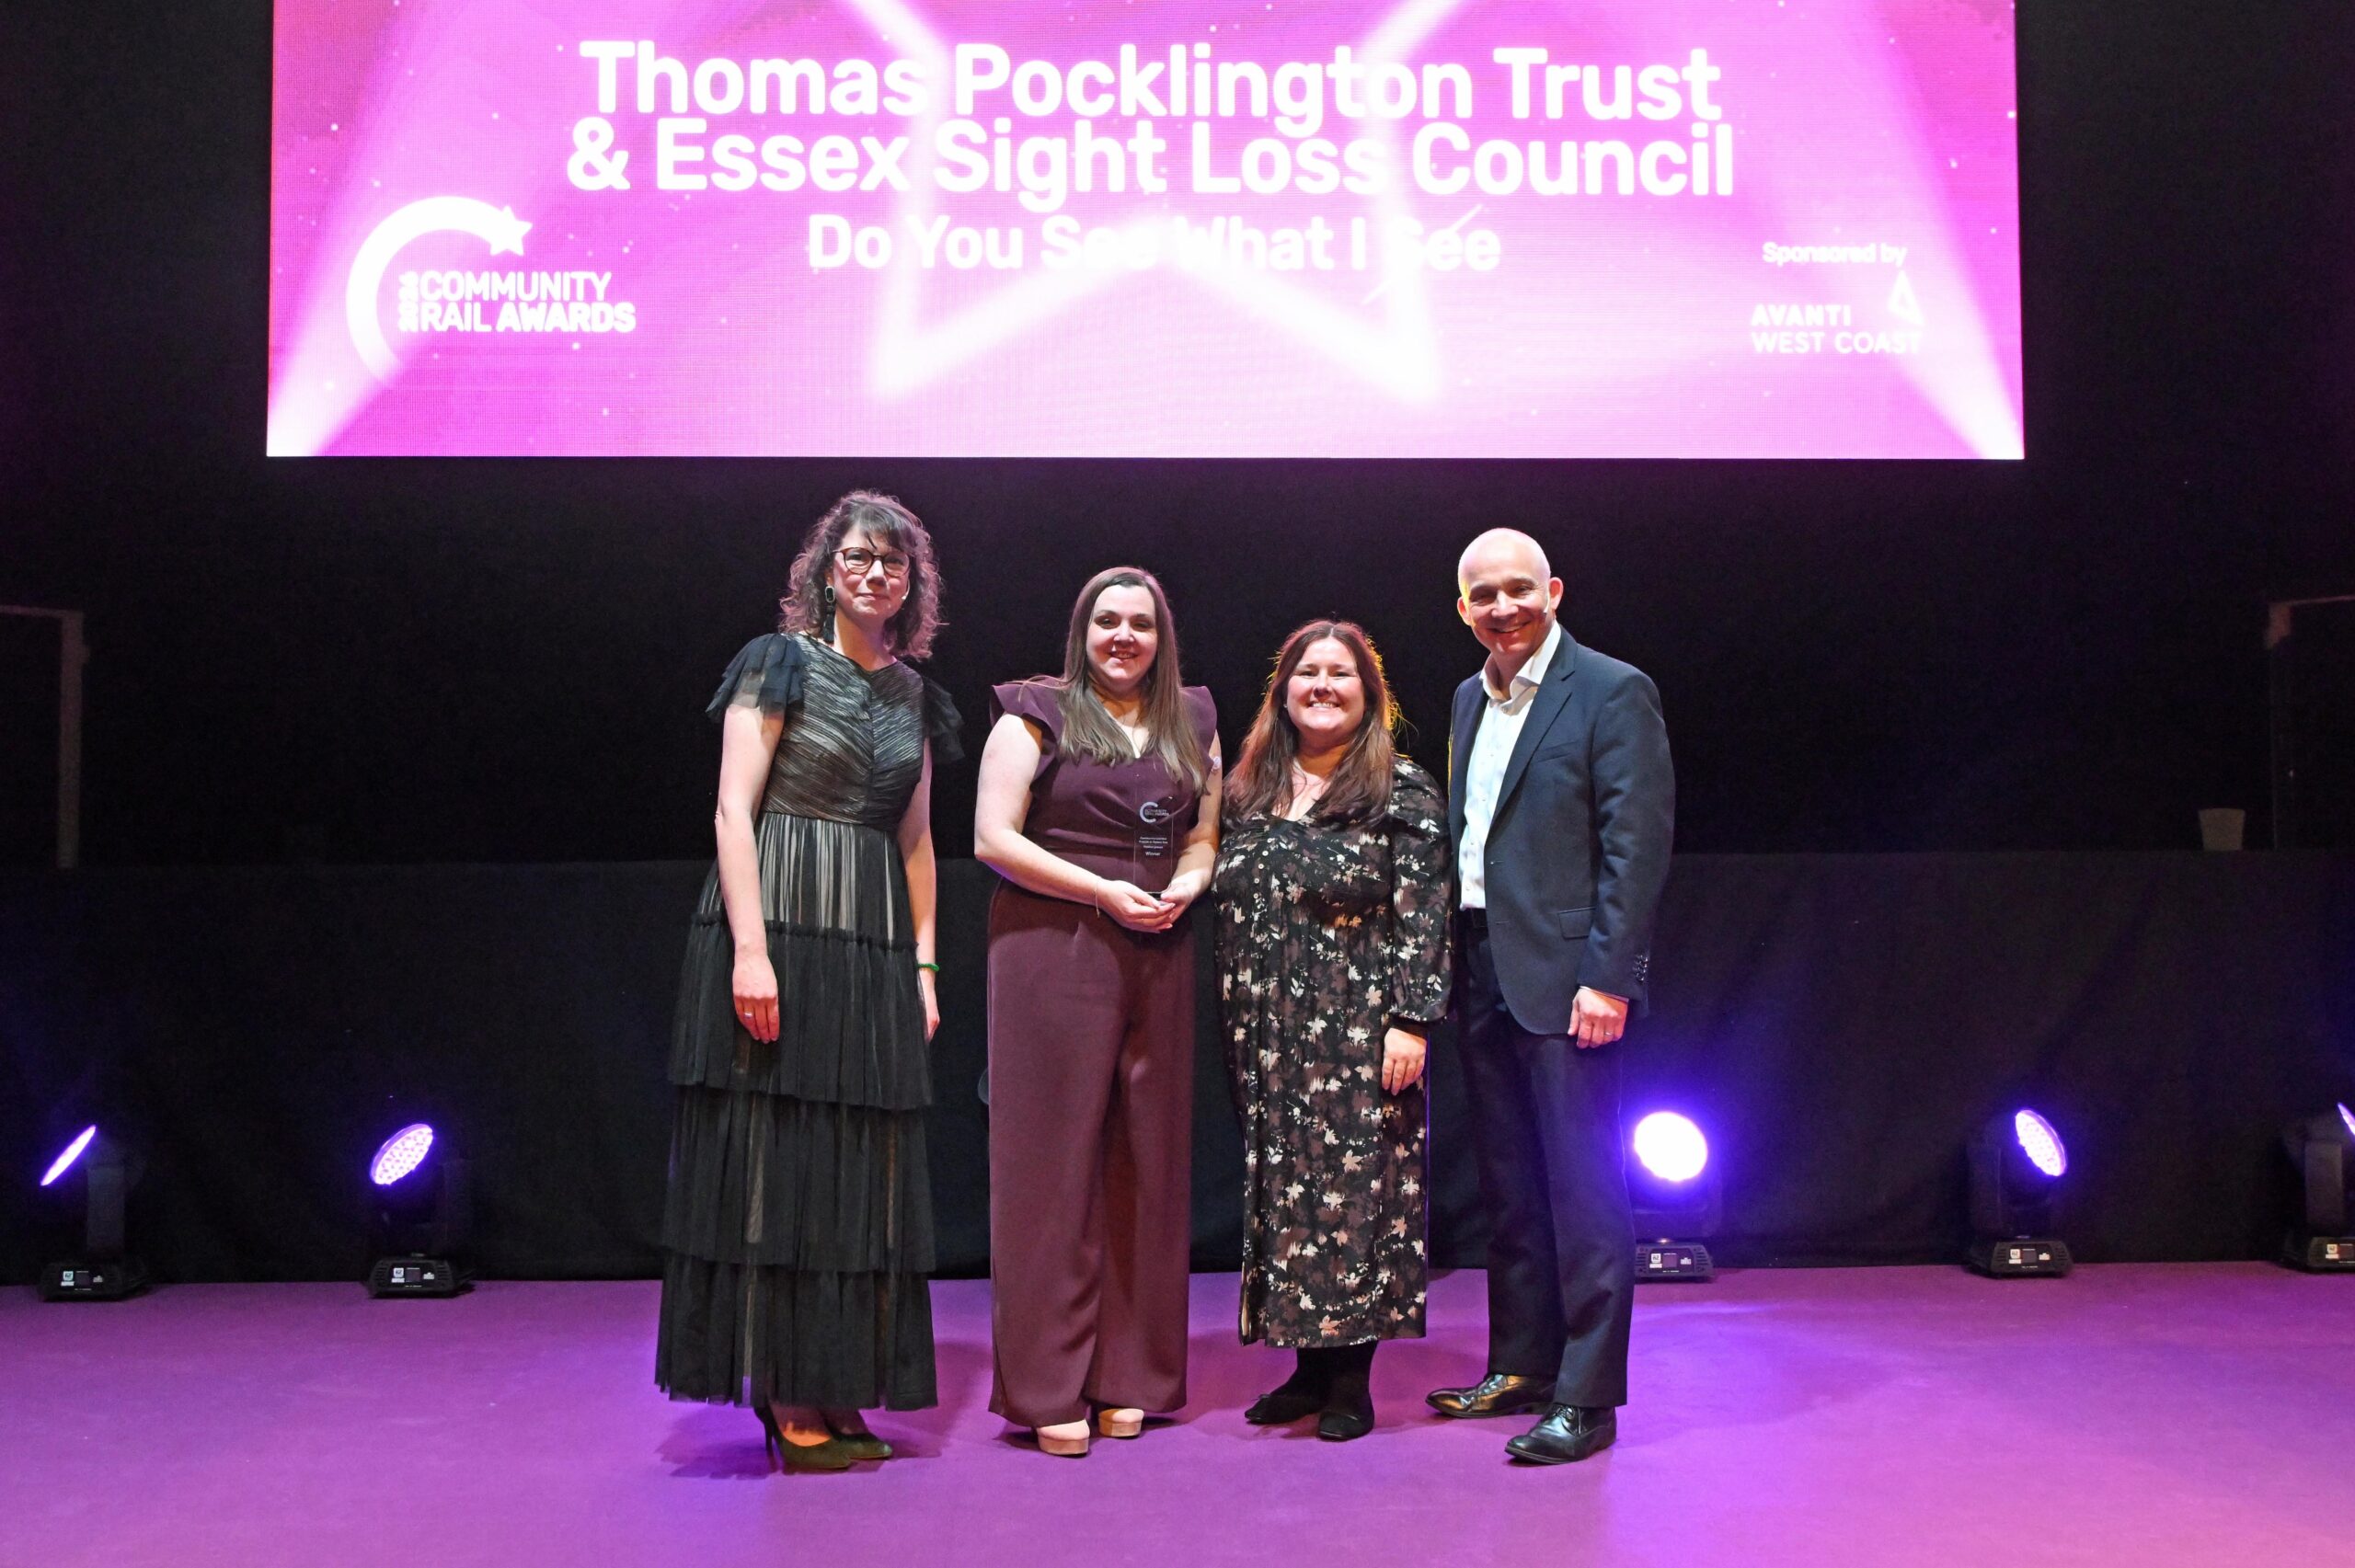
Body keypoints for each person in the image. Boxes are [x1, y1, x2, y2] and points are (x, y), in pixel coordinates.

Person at [654, 492, 961, 1472]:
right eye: (859, 558)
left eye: (893, 563)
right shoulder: (776, 662)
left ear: (911, 584)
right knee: (777, 1156)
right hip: (779, 924)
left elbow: (917, 843)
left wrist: (923, 962)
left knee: (858, 1166)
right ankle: (784, 1388)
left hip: (869, 942)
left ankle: (835, 1377)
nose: (875, 574)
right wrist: (750, 951)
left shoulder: (914, 695)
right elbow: (731, 812)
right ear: (828, 570)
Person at [1427, 528, 1673, 1466]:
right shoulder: (1468, 697)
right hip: (1483, 964)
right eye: (1484, 595)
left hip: (1570, 977)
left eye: (1519, 589)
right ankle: (1522, 1367)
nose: (1504, 608)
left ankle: (1586, 1397)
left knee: (1582, 1188)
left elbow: (1635, 845)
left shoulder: (1612, 689)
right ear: (1463, 609)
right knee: (1510, 1186)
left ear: (1554, 590)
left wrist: (1609, 975)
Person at [973, 567, 1220, 1458]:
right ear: (1082, 631)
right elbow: (993, 838)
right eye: (1107, 621)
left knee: (1146, 1157)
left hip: (1159, 941)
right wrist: (1102, 890)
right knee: (1050, 1162)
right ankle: (1047, 1384)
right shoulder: (1033, 712)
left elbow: (1203, 832)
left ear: (1162, 636)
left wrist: (1188, 883)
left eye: (1140, 623)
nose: (1123, 636)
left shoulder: (1193, 717)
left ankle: (1130, 1375)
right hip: (1054, 940)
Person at [1213, 621, 1451, 1441]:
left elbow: (1425, 911)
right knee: (1287, 1195)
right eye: (1307, 672)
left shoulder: (1400, 789)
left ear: (1369, 692)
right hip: (1264, 1033)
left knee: (1356, 1198)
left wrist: (1411, 1020)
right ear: (1281, 692)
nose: (1322, 685)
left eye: (1340, 673)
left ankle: (1351, 1379)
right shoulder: (1246, 790)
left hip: (1357, 1030)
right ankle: (1308, 1369)